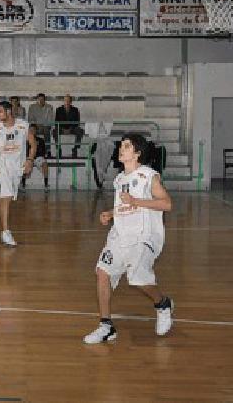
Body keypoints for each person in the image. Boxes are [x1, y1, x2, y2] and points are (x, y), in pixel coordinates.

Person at [83, 133, 174, 344]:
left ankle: (162, 304)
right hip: (119, 234)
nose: (120, 149)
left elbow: (167, 204)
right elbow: (125, 205)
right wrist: (111, 213)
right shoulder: (119, 179)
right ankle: (106, 325)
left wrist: (136, 200)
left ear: (137, 153)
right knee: (102, 273)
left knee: (138, 279)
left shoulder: (148, 176)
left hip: (143, 236)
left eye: (126, 146)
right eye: (121, 145)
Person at [0, 101, 35, 247]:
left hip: (18, 168)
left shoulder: (23, 125)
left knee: (3, 199)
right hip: (3, 167)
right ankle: (5, 232)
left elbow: (33, 144)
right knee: (5, 198)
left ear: (8, 111)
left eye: (0, 111)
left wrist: (30, 160)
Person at [22, 125, 49, 192]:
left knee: (45, 165)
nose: (32, 131)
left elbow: (43, 151)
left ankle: (46, 186)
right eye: (30, 129)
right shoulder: (25, 140)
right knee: (24, 166)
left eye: (33, 129)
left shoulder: (41, 140)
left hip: (38, 157)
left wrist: (38, 156)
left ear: (36, 131)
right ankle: (23, 185)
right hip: (28, 157)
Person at [27, 93, 53, 158]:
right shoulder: (32, 107)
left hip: (45, 127)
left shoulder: (49, 107)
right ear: (37, 100)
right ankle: (31, 150)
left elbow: (50, 119)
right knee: (31, 131)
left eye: (42, 99)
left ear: (45, 100)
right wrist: (36, 125)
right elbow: (30, 119)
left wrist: (43, 125)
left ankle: (48, 150)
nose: (41, 101)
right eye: (39, 99)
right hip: (35, 127)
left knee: (46, 130)